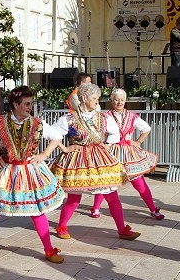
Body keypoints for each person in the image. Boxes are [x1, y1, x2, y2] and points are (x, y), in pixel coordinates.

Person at [0, 86, 72, 263]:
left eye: (31, 103)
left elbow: (57, 137)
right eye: (27, 104)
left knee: (36, 209)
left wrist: (44, 155)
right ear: (15, 104)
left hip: (29, 170)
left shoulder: (37, 123)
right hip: (4, 169)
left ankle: (48, 248)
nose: (30, 107)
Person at [49, 83, 140, 241]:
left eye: (98, 98)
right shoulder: (69, 118)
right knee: (74, 196)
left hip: (99, 158)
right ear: (84, 98)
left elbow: (115, 134)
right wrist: (64, 148)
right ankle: (62, 226)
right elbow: (53, 134)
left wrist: (107, 144)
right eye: (94, 98)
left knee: (111, 194)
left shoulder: (103, 117)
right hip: (77, 159)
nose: (97, 101)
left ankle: (121, 228)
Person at [90, 88, 164, 220]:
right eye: (116, 99)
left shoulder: (131, 116)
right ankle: (95, 207)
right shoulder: (105, 116)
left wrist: (138, 141)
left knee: (139, 182)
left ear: (125, 101)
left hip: (128, 152)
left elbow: (146, 128)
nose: (119, 102)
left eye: (122, 100)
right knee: (106, 180)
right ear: (111, 101)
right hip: (111, 150)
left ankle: (152, 208)